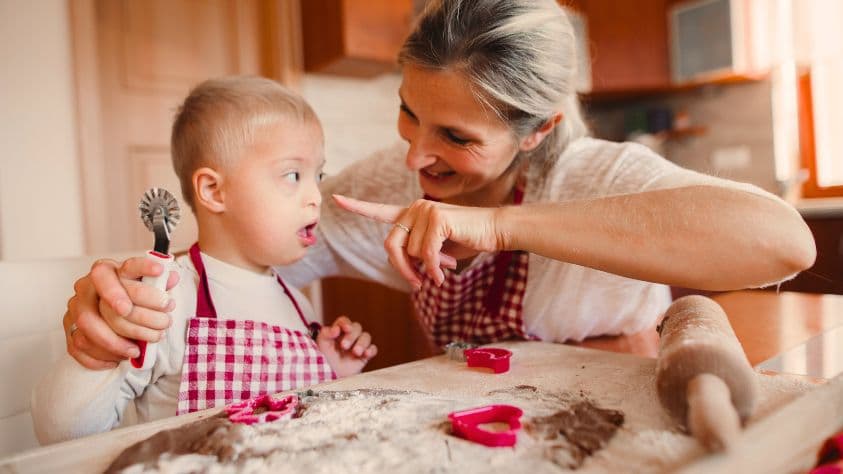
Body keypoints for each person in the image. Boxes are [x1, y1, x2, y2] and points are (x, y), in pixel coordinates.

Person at [62, 0, 814, 370]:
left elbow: (782, 243)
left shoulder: (599, 175)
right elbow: (234, 256)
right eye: (408, 113)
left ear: (539, 129)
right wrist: (128, 296)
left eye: (455, 137)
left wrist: (497, 228)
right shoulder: (386, 183)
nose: (416, 157)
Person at [31, 76, 377, 444]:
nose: (316, 196)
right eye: (293, 175)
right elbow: (61, 432)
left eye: (318, 175)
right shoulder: (166, 303)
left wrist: (328, 368)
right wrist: (97, 355)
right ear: (214, 191)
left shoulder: (298, 302)